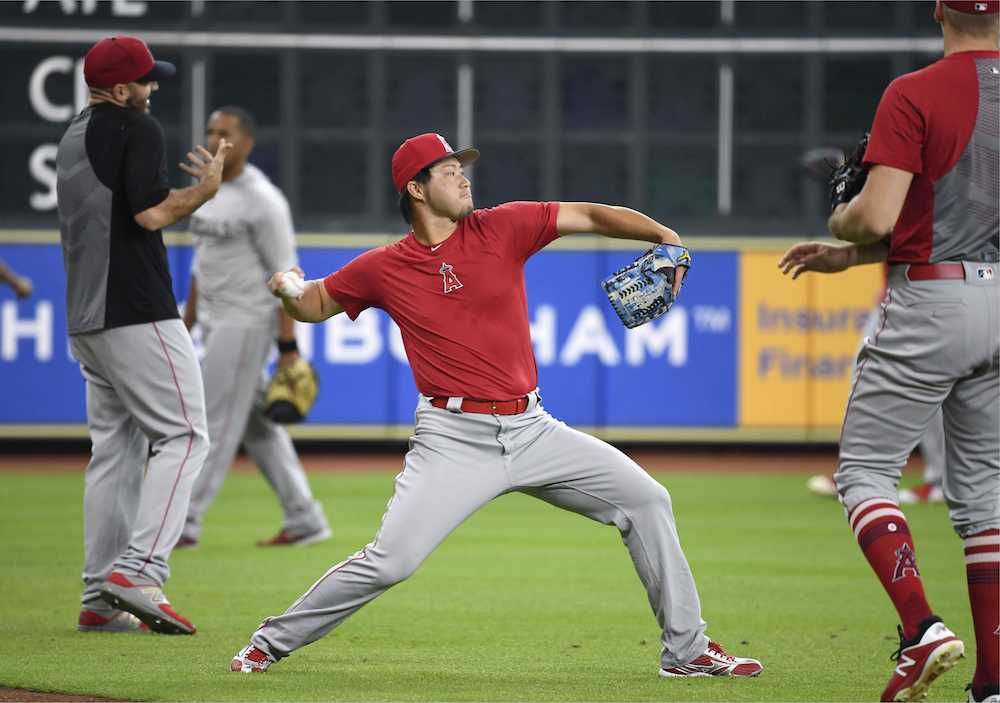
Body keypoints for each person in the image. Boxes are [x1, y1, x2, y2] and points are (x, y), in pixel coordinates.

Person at [229, 132, 763, 680]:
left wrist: (665, 236)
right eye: (448, 170)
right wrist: (290, 288)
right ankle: (269, 643)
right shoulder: (383, 268)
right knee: (392, 561)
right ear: (415, 187)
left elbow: (589, 215)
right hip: (452, 439)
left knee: (648, 500)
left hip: (533, 429)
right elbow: (317, 302)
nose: (464, 177)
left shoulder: (501, 227)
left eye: (463, 168)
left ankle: (686, 650)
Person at [779, 2, 999, 700]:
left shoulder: (916, 92)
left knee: (866, 471)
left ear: (941, 10)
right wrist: (852, 257)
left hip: (935, 298)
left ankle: (920, 627)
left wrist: (844, 215)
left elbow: (874, 214)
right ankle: (993, 684)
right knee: (987, 496)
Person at [56, 35, 232, 635]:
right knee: (185, 437)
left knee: (116, 451)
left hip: (87, 315)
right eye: (146, 80)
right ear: (122, 88)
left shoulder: (75, 134)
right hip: (134, 307)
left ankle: (99, 598)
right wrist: (205, 192)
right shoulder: (137, 127)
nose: (153, 87)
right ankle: (139, 570)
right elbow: (150, 213)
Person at [176, 106, 331, 549]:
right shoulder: (206, 188)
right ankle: (305, 518)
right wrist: (187, 321)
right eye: (210, 131)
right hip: (212, 320)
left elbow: (288, 277)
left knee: (215, 423)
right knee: (259, 425)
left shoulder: (264, 200)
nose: (214, 139)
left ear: (246, 143)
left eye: (224, 133)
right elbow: (201, 264)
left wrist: (287, 346)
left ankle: (183, 521)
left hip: (246, 321)